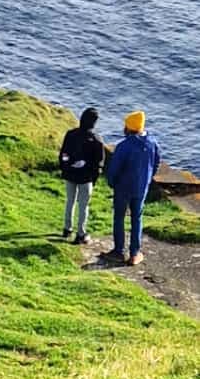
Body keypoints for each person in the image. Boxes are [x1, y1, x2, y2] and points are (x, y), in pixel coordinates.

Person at [104, 111, 161, 266]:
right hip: (142, 187)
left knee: (119, 217)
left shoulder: (124, 146)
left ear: (129, 128)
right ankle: (135, 253)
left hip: (123, 187)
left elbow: (114, 169)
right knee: (137, 218)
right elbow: (156, 164)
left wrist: (112, 182)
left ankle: (118, 251)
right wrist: (148, 179)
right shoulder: (152, 143)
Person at [58, 107, 105, 243]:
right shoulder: (96, 139)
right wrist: (94, 179)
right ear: (94, 122)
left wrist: (66, 167)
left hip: (70, 174)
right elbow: (99, 163)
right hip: (86, 177)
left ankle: (67, 229)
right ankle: (81, 234)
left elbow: (63, 154)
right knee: (83, 205)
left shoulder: (71, 134)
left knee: (70, 201)